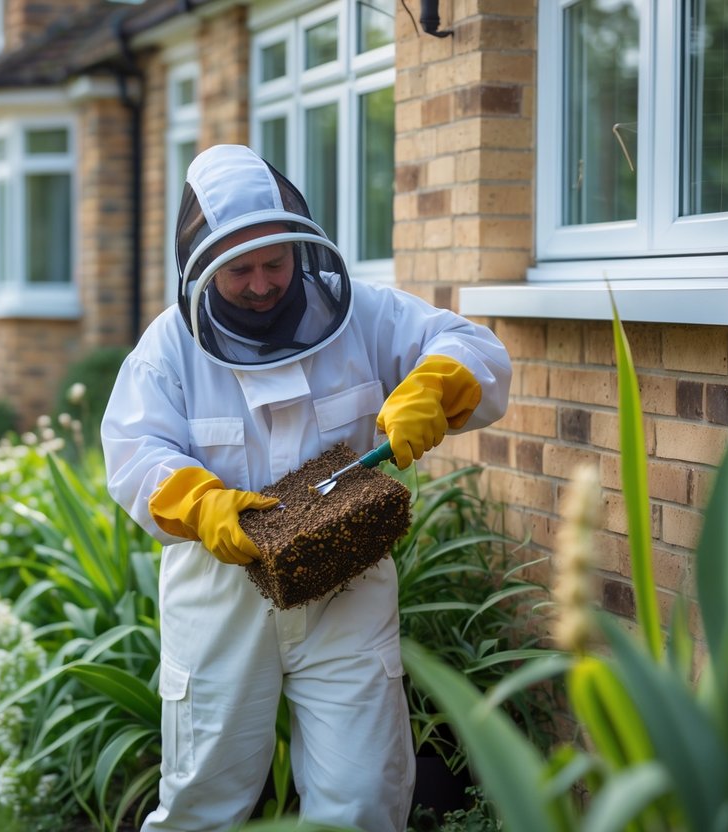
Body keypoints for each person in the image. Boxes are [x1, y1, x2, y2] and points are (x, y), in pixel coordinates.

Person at [101, 144, 511, 831]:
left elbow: (472, 345)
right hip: (220, 594)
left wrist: (435, 384)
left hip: (347, 590)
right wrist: (201, 504)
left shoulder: (365, 315)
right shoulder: (168, 347)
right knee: (204, 797)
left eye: (274, 263)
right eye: (240, 271)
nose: (262, 283)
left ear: (300, 248)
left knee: (363, 795)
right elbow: (134, 451)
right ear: (202, 268)